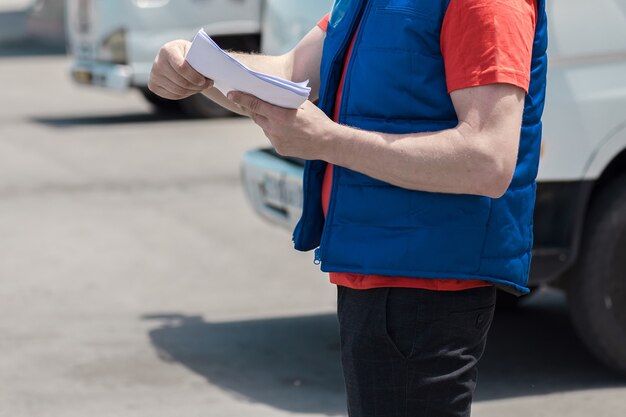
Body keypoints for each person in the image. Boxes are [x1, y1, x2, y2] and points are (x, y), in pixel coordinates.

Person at [148, 0, 547, 415]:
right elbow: (290, 72)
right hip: (376, 269)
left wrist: (328, 141)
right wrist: (198, 67)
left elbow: (488, 161)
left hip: (427, 280)